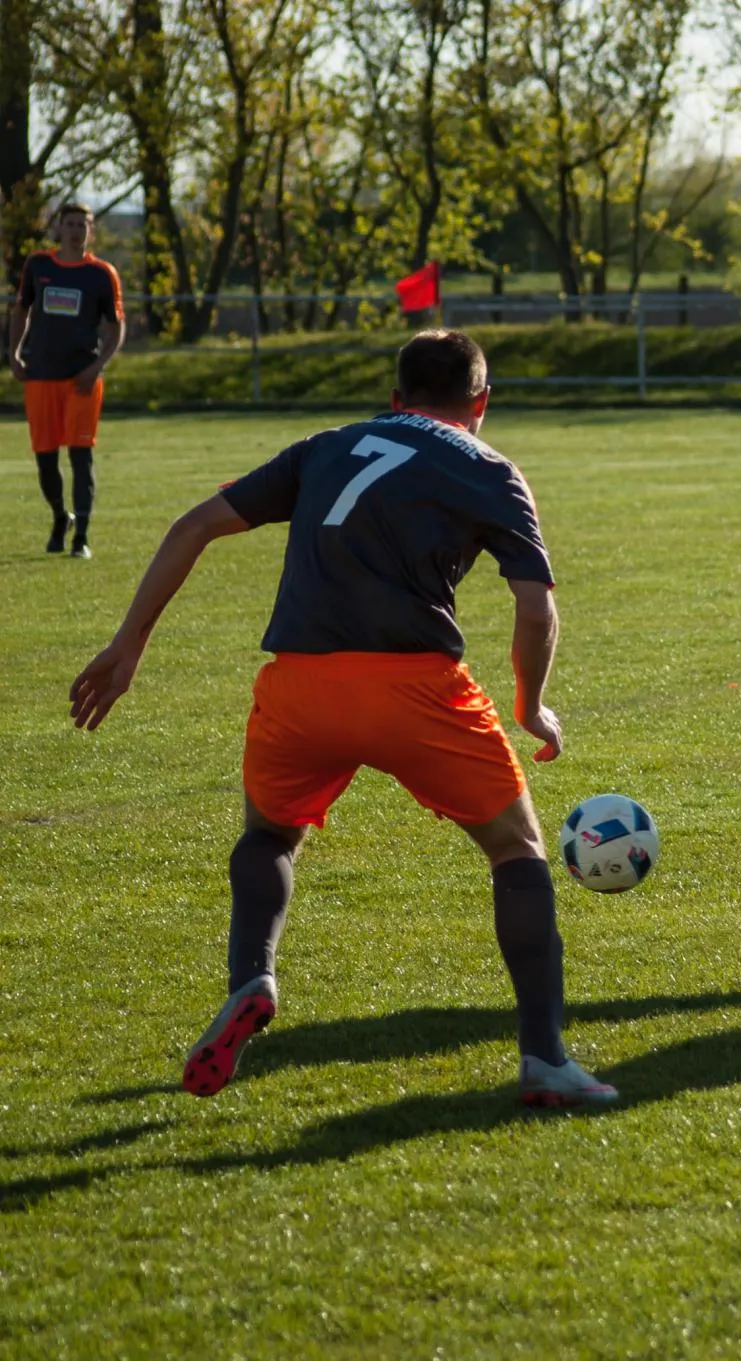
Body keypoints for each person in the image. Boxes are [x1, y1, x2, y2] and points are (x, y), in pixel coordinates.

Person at [67, 330, 618, 1108]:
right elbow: (535, 608)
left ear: (395, 399)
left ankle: (253, 974)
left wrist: (128, 646)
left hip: (301, 685)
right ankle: (545, 1059)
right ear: (482, 402)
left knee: (268, 836)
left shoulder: (326, 445)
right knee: (516, 849)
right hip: (415, 688)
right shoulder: (489, 467)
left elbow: (193, 525)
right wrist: (529, 706)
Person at [10, 202, 123, 559]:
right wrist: (14, 353)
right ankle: (61, 516)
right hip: (40, 376)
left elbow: (116, 327)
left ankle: (81, 538)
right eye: (70, 224)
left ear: (91, 230)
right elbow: (21, 310)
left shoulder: (101, 274)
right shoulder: (38, 265)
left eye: (82, 224)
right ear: (58, 228)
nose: (76, 230)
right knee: (45, 459)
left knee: (80, 455)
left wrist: (97, 367)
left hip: (81, 380)